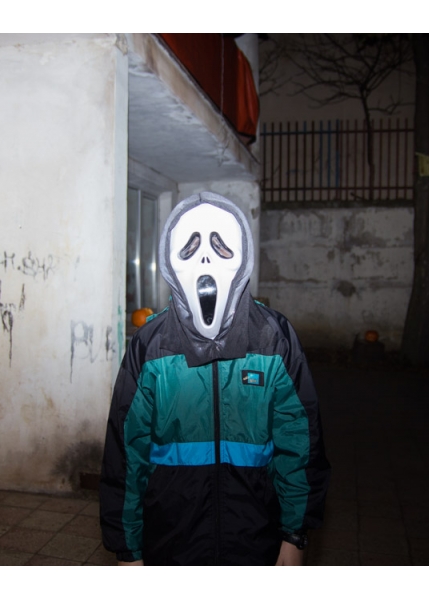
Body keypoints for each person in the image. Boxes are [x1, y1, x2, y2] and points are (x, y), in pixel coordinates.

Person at [99, 191, 330, 566]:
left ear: (243, 256)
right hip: (170, 540)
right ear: (169, 262)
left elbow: (301, 445)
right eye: (189, 247)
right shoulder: (151, 347)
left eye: (221, 246)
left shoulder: (273, 339)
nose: (205, 258)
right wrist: (127, 548)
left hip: (255, 540)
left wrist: (295, 535)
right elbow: (125, 455)